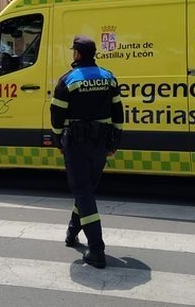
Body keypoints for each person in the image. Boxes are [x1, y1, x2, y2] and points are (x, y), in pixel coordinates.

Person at [50, 35, 124, 269]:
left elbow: (56, 115)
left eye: (74, 51)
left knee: (82, 191)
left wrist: (57, 139)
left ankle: (97, 249)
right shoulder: (109, 78)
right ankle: (72, 233)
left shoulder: (69, 80)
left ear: (78, 54)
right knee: (86, 190)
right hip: (101, 142)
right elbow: (119, 112)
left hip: (77, 143)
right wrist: (115, 141)